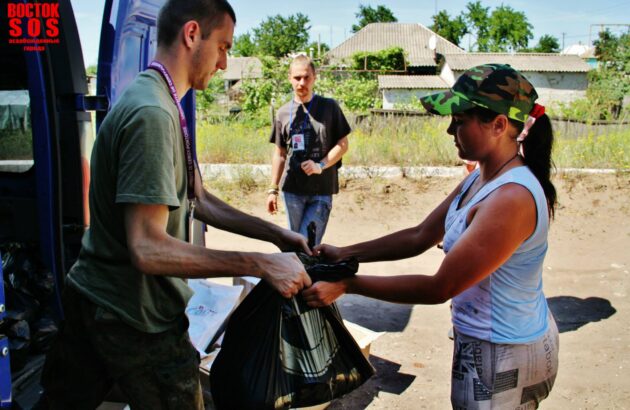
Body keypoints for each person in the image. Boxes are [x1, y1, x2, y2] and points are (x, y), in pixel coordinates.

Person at [40, 1, 311, 409]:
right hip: (132, 315)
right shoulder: (152, 114)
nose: (224, 63)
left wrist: (277, 236)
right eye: (222, 46)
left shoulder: (165, 100)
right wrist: (259, 264)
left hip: (96, 295)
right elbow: (147, 248)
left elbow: (197, 200)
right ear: (191, 34)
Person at [303, 64, 560, 409]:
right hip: (490, 344)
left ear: (499, 125)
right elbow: (420, 235)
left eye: (459, 120)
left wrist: (349, 284)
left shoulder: (510, 198)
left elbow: (440, 287)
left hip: (504, 353)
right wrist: (345, 253)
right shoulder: (482, 177)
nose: (449, 129)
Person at [266, 55, 350, 246]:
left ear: (314, 78)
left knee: (308, 244)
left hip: (321, 190)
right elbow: (280, 153)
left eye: (306, 77)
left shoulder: (329, 107)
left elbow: (343, 144)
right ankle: (295, 275)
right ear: (289, 78)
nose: (302, 83)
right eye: (297, 78)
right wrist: (273, 189)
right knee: (295, 245)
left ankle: (301, 274)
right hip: (292, 191)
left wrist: (321, 165)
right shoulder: (283, 113)